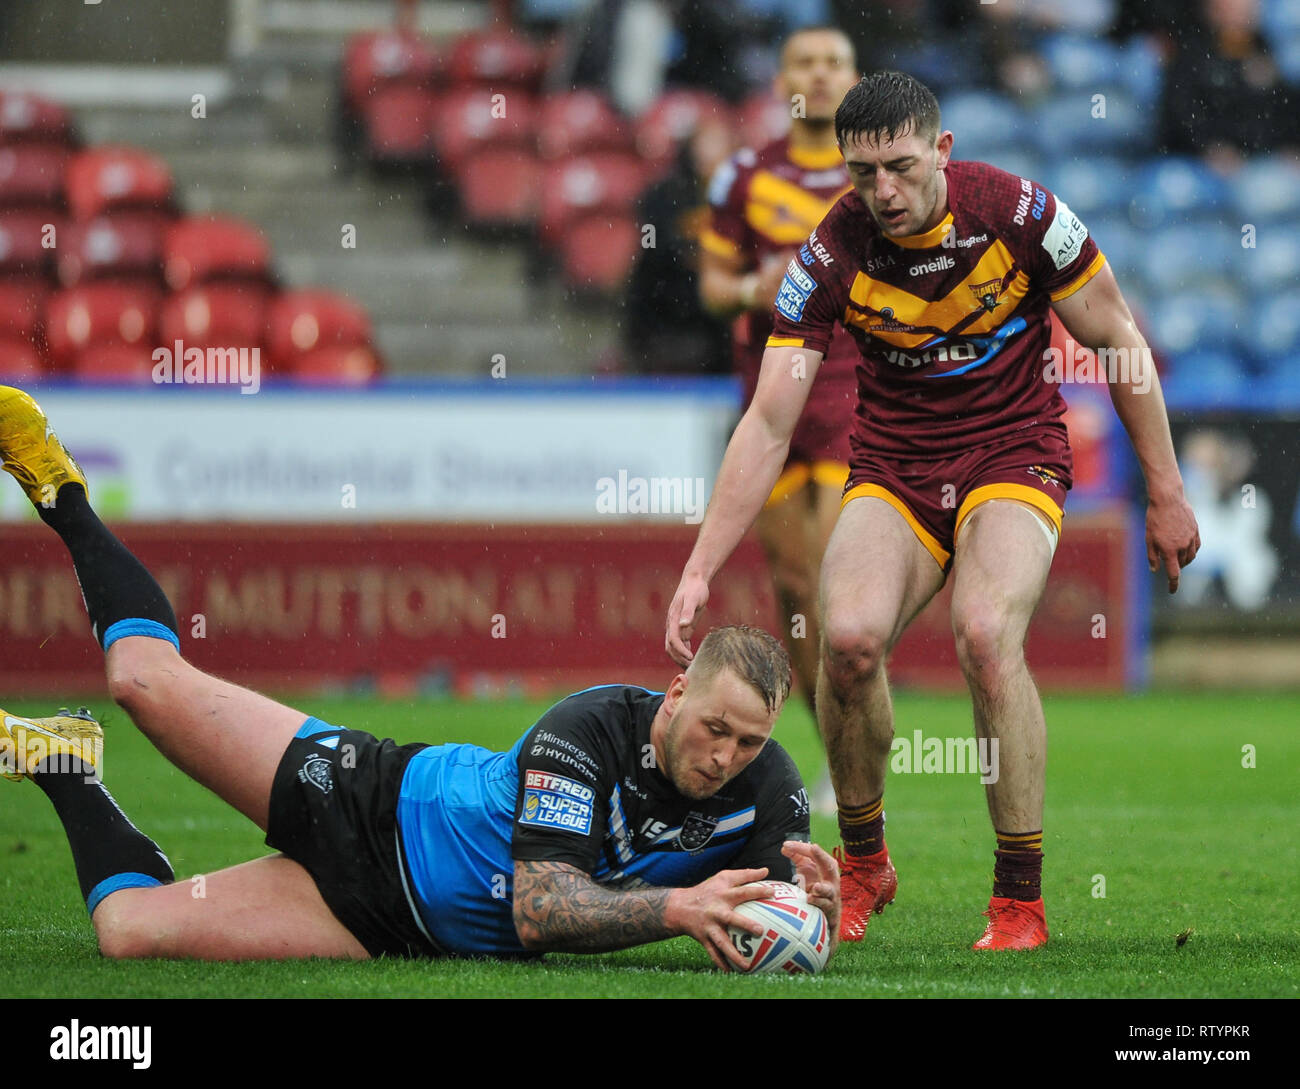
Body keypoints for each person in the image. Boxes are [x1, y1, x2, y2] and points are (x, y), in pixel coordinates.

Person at [0, 385, 840, 969]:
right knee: (141, 681)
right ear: (678, 690)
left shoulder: (768, 786)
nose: (730, 754)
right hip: (366, 800)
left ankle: (66, 769)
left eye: (750, 740)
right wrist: (678, 908)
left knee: (124, 934)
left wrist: (816, 918)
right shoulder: (589, 727)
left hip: (385, 922)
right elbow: (539, 909)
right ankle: (61, 488)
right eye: (717, 728)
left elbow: (773, 918)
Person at [665, 71, 1200, 949]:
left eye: (901, 168)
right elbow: (767, 421)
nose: (882, 193)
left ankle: (1019, 899)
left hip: (1012, 453)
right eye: (862, 173)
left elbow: (1118, 340)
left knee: (987, 634)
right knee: (846, 642)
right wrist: (698, 565)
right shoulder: (830, 254)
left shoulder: (1022, 214)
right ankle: (867, 863)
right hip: (897, 470)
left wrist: (1167, 491)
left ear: (942, 152)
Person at [698, 25, 860, 812]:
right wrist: (747, 291)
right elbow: (711, 286)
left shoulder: (876, 174)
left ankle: (865, 745)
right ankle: (839, 748)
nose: (820, 75)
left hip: (854, 387)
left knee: (836, 579)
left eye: (835, 63)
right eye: (806, 62)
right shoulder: (744, 175)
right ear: (782, 78)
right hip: (769, 393)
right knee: (794, 589)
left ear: (855, 78)